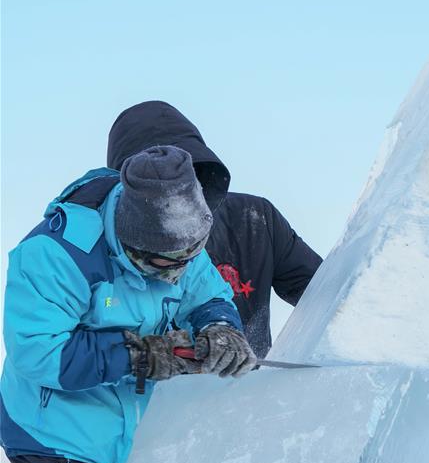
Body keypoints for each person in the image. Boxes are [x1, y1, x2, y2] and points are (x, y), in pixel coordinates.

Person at [1, 147, 256, 463]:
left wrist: (220, 327)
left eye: (190, 257)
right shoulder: (55, 255)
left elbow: (208, 294)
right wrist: (140, 355)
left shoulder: (179, 240)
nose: (180, 271)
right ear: (133, 244)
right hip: (55, 435)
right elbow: (39, 352)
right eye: (167, 264)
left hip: (129, 430)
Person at [106, 102, 323, 359]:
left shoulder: (256, 219)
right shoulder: (99, 250)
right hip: (152, 384)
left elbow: (327, 295)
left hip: (250, 382)